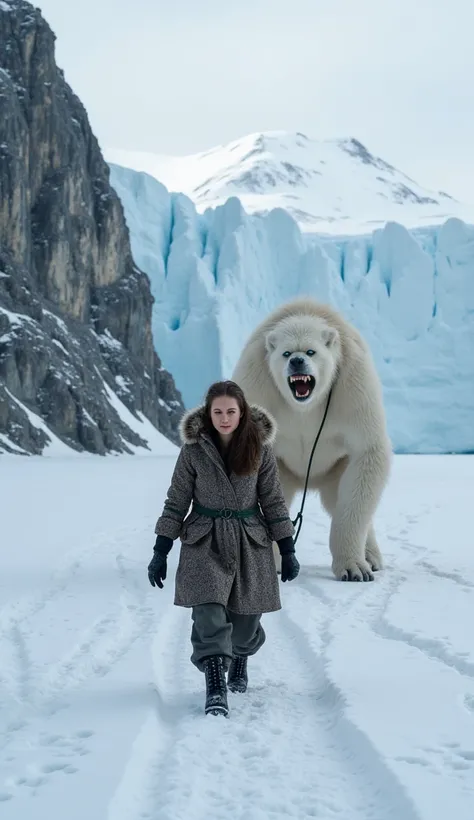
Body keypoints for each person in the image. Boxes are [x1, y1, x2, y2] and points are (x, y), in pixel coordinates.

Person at [148, 380, 300, 717]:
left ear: (242, 411)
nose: (225, 418)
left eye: (231, 411)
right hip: (204, 539)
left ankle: (240, 657)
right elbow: (177, 501)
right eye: (218, 412)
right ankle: (215, 687)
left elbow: (273, 500)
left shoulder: (260, 449)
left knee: (244, 626)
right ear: (208, 413)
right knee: (208, 612)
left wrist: (286, 549)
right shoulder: (193, 450)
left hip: (250, 540)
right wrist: (161, 550)